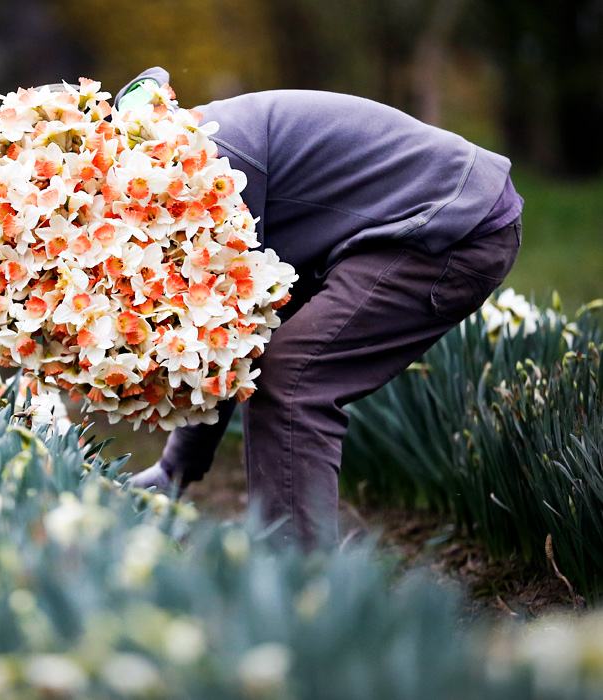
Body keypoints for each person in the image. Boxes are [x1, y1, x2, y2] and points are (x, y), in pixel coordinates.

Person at [121, 67, 523, 550]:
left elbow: (229, 328)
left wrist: (174, 469)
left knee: (292, 381)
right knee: (280, 369)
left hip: (451, 225)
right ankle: (289, 562)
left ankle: (299, 577)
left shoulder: (217, 168)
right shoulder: (209, 146)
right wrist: (175, 470)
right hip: (424, 218)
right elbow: (232, 339)